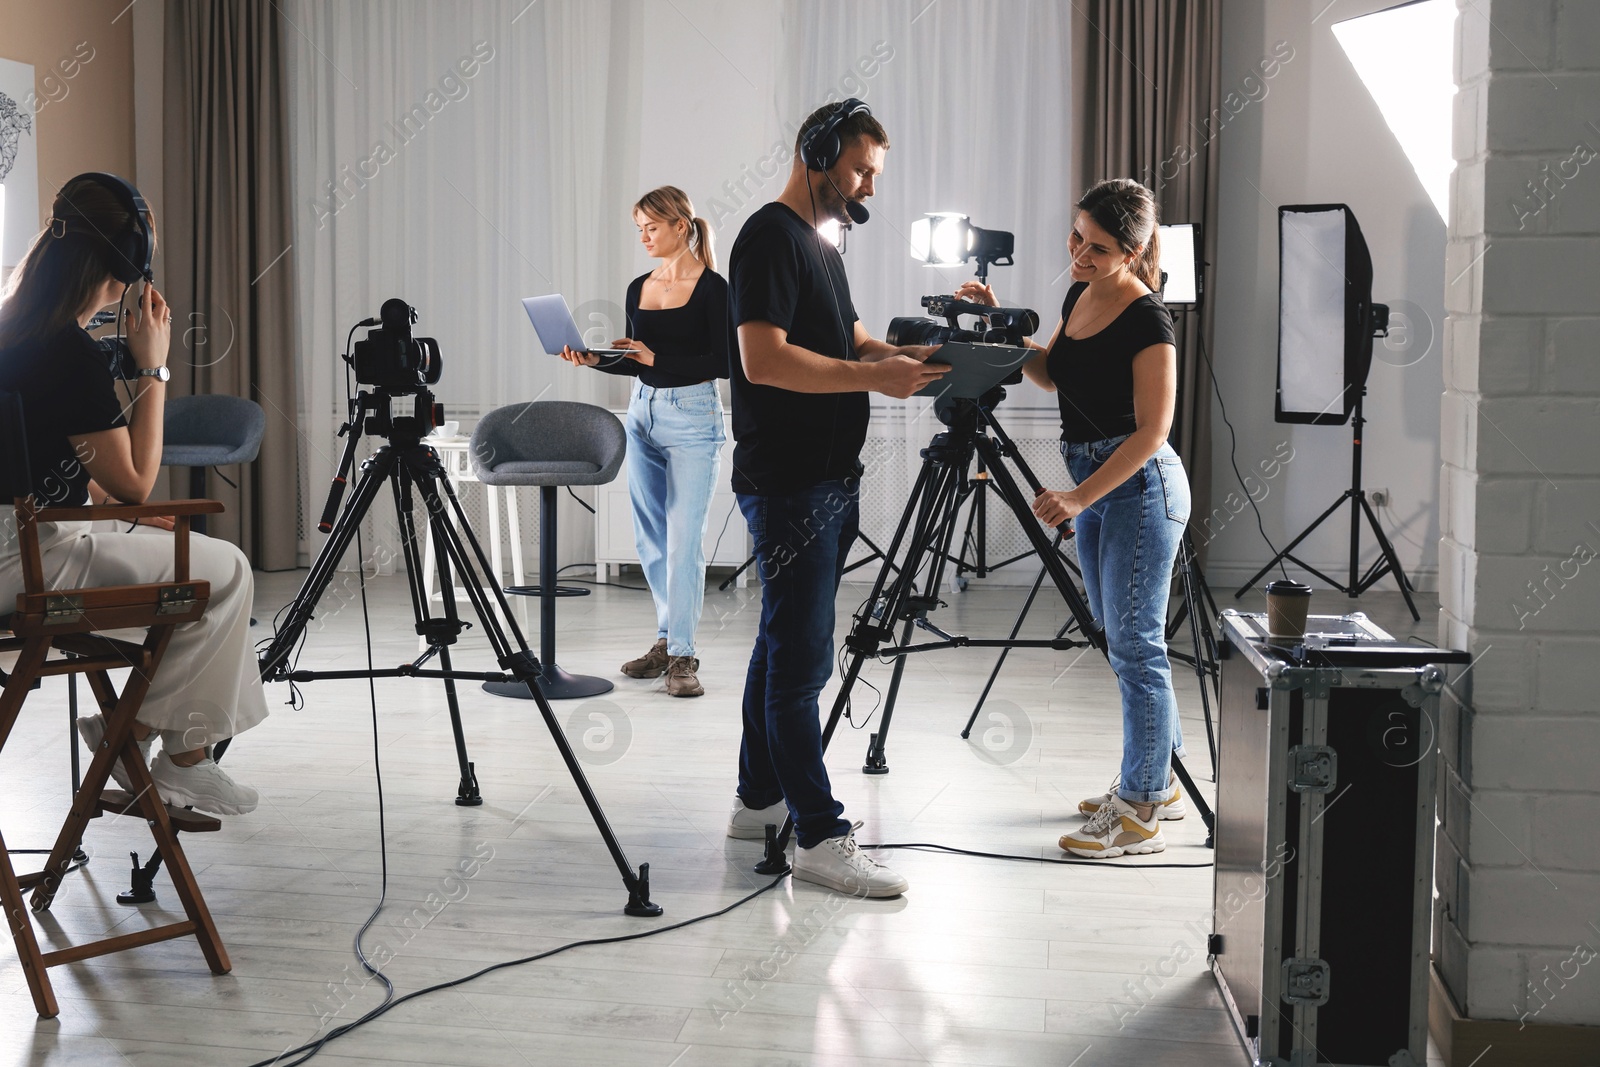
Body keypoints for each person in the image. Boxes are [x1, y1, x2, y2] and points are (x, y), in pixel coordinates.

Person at [722, 100, 947, 897]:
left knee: (780, 646)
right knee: (801, 665)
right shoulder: (768, 238)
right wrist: (869, 377)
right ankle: (818, 836)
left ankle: (757, 800)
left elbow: (847, 336)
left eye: (873, 175)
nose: (867, 188)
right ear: (816, 153)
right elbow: (763, 359)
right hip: (790, 483)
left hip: (824, 478)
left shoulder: (820, 243)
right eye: (859, 170)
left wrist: (904, 356)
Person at [0, 173, 265, 816]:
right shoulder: (68, 353)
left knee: (184, 564)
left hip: (22, 539)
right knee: (226, 571)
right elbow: (134, 486)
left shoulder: (11, 329)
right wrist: (153, 366)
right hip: (27, 564)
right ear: (127, 267)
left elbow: (57, 462)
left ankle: (135, 734)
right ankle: (167, 753)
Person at [958, 177, 1191, 859]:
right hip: (1097, 484)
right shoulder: (1078, 294)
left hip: (1138, 488)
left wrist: (1082, 497)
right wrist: (1004, 323)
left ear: (1132, 249)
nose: (1077, 253)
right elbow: (1052, 372)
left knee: (1138, 644)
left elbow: (1153, 431)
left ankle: (1142, 804)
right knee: (1123, 641)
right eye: (1075, 237)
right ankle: (1159, 776)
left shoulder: (1149, 318)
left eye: (1095, 246)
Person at [557, 186, 732, 697]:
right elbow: (636, 357)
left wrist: (657, 361)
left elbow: (727, 364)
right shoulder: (640, 286)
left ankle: (682, 655)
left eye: (651, 227)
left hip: (693, 418)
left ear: (681, 225)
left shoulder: (715, 288)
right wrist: (593, 359)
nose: (644, 237)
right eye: (639, 228)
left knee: (683, 541)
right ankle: (665, 640)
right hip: (642, 413)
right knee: (650, 540)